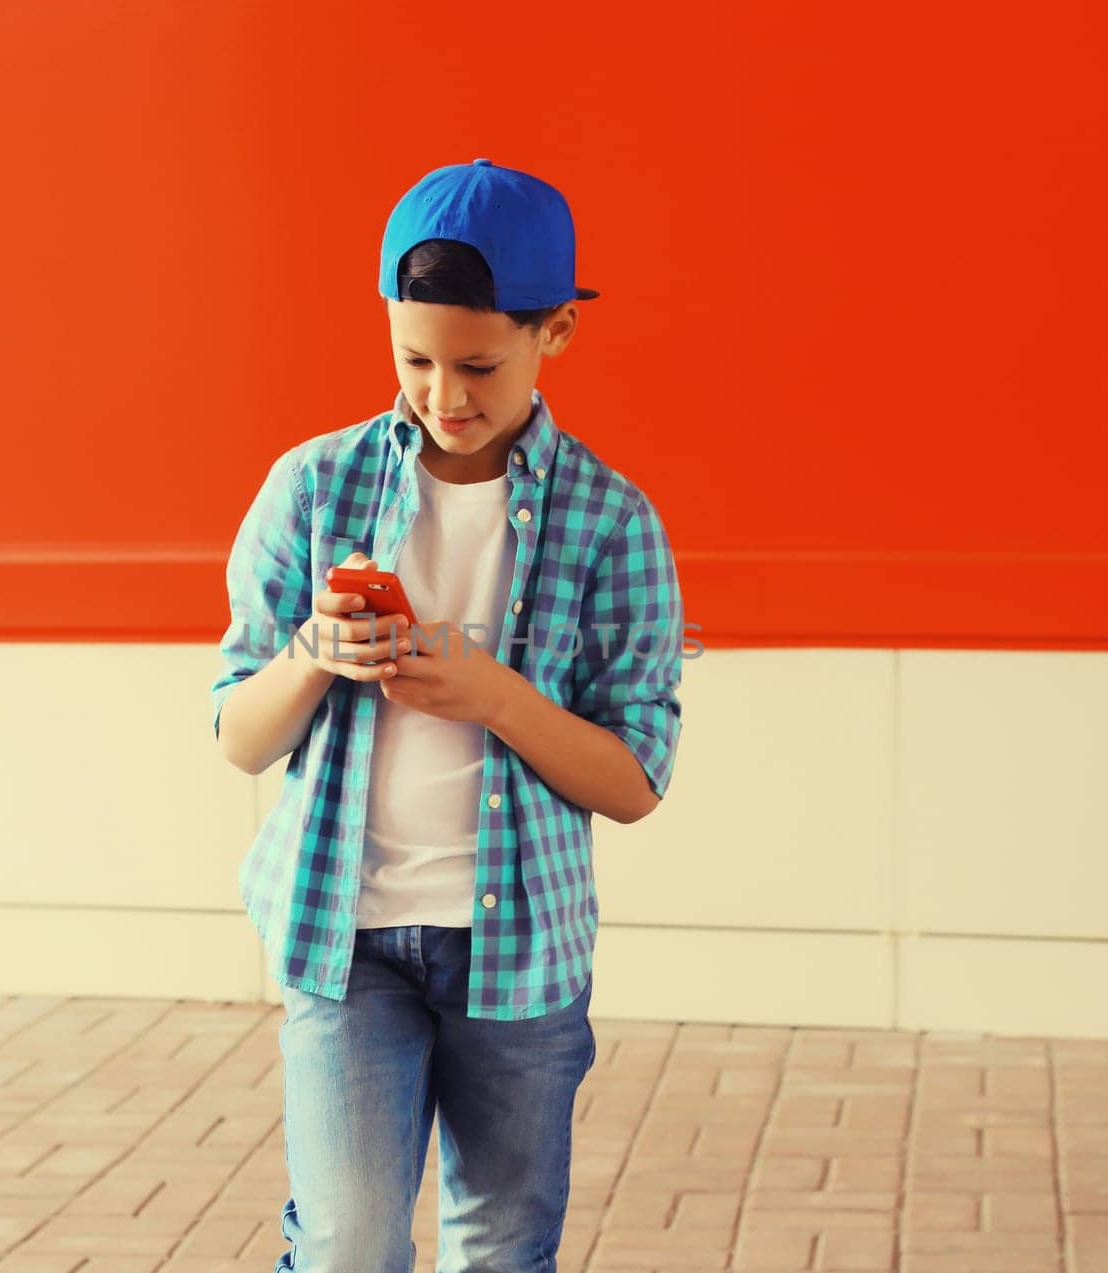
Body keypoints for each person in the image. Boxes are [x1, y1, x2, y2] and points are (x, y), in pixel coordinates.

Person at [210, 157, 684, 1273]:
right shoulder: (312, 489)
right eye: (413, 357)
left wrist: (495, 697)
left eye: (479, 363)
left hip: (519, 954)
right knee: (346, 1247)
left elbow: (635, 782)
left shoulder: (612, 521)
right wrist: (315, 653)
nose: (443, 394)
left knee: (502, 1248)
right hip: (344, 936)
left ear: (555, 331)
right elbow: (238, 735)